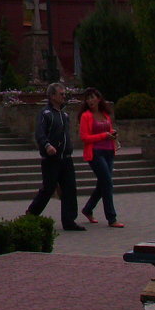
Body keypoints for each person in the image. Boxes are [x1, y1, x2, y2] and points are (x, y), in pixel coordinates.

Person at [25, 82, 86, 231]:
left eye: (64, 94)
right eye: (61, 94)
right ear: (52, 96)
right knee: (48, 188)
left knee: (70, 188)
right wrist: (47, 146)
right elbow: (40, 133)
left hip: (65, 158)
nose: (64, 96)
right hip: (51, 159)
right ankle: (31, 214)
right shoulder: (45, 114)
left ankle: (69, 220)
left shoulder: (64, 115)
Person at [78, 87, 124, 228]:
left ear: (98, 98)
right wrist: (104, 135)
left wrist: (112, 134)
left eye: (93, 97)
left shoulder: (105, 114)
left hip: (108, 151)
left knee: (103, 183)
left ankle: (87, 209)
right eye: (88, 98)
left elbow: (108, 130)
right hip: (95, 153)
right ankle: (112, 218)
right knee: (107, 183)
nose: (90, 100)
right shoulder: (86, 116)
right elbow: (84, 137)